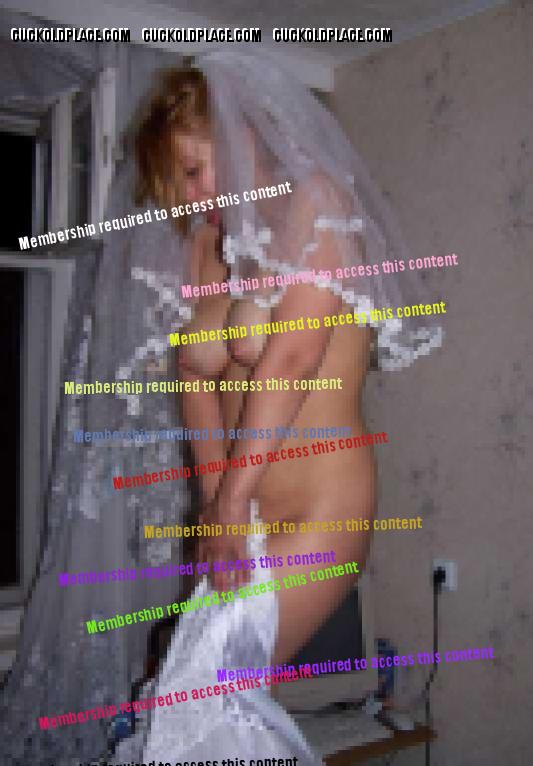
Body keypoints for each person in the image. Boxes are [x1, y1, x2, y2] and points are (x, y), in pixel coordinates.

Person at [111, 50, 442, 765]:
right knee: (185, 693)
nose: (190, 196)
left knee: (202, 700)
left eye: (194, 170)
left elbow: (291, 358)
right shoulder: (206, 243)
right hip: (242, 506)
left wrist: (231, 507)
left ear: (241, 133)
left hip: (321, 506)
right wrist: (216, 506)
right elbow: (194, 377)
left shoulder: (318, 203)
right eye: (177, 184)